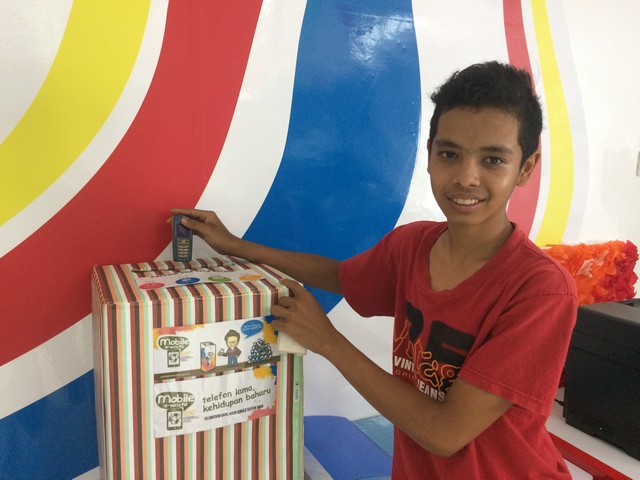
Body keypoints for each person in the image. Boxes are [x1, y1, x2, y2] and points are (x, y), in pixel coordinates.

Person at [170, 61, 578, 479]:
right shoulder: (413, 245)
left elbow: (444, 432)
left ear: (525, 168)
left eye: (492, 159)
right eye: (450, 154)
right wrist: (237, 246)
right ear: (430, 155)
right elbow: (341, 276)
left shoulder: (541, 290)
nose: (466, 177)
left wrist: (328, 341)